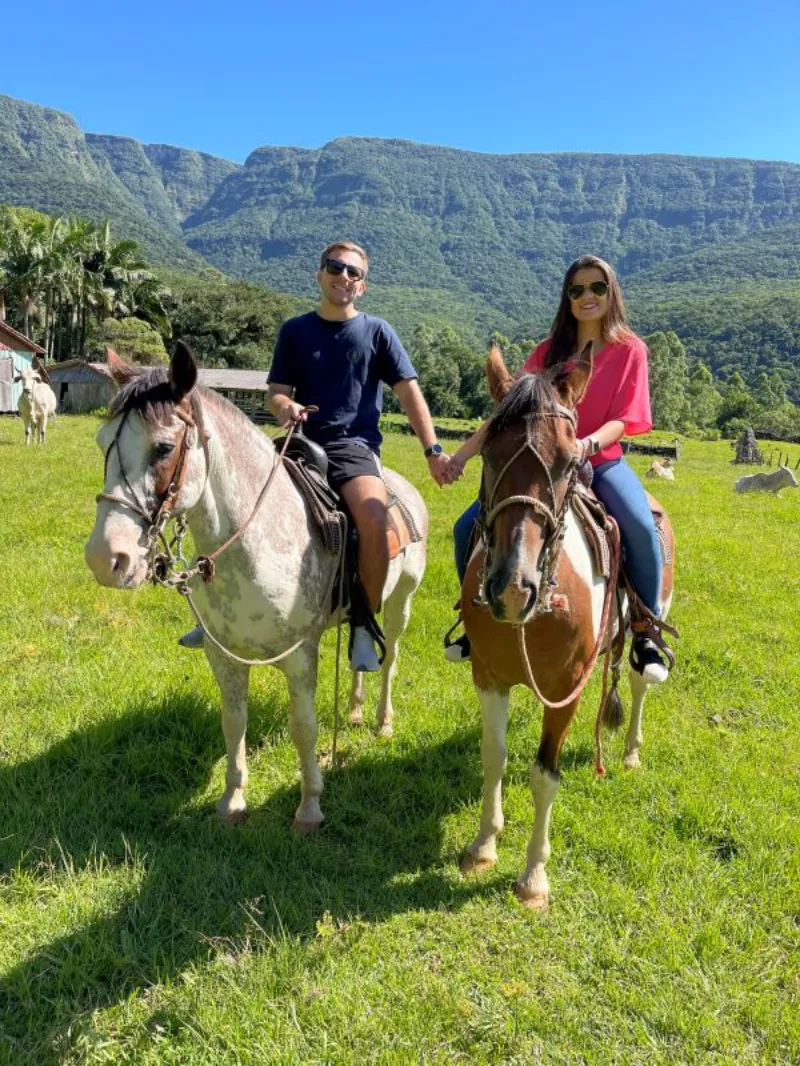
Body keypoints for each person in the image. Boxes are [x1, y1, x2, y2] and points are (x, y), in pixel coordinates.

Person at [180, 240, 450, 672]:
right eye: (335, 267)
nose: (343, 276)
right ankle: (213, 614)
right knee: (227, 499)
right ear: (319, 274)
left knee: (374, 517)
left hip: (353, 448)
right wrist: (286, 408)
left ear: (362, 286)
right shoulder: (295, 331)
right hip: (298, 443)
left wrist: (433, 449)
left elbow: (409, 393)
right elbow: (277, 393)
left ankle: (363, 622)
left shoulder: (377, 333)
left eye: (353, 273)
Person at [444, 254, 671, 677]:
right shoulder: (548, 352)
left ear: (611, 293)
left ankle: (645, 629)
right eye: (577, 289)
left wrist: (585, 444)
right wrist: (461, 456)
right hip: (542, 466)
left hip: (599, 461)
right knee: (465, 528)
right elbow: (506, 413)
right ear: (567, 298)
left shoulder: (630, 350)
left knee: (640, 526)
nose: (587, 296)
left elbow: (624, 417)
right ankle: (472, 619)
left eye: (597, 288)